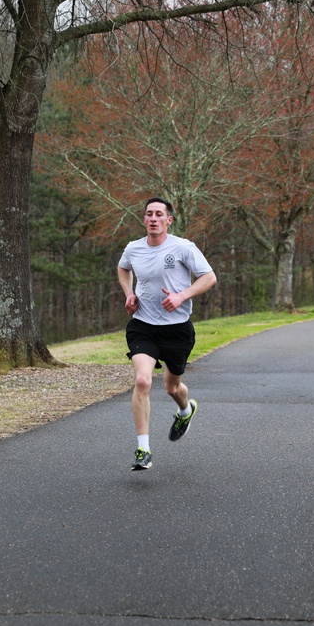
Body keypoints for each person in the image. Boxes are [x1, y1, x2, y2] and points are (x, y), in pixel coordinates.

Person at [117, 198, 217, 471]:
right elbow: (123, 267)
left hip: (177, 329)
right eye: (148, 214)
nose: (153, 218)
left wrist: (182, 295)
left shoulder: (183, 247)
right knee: (141, 380)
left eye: (158, 214)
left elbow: (209, 277)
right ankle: (143, 450)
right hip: (143, 325)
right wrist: (129, 294)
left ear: (168, 220)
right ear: (144, 219)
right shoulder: (133, 248)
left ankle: (186, 410)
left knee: (172, 387)